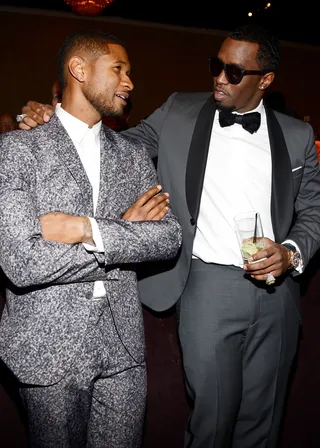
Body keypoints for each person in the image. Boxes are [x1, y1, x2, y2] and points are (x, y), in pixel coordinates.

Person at [17, 24, 320, 448]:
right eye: (216, 66)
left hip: (279, 294)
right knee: (211, 420)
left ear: (265, 80)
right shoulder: (179, 110)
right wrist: (51, 120)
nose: (218, 78)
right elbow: (112, 144)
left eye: (233, 73)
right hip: (207, 286)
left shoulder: (298, 135)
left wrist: (290, 254)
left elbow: (313, 213)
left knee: (263, 423)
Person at [0, 29, 182, 448]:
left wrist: (90, 228)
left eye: (130, 72)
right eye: (118, 69)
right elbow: (21, 261)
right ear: (78, 69)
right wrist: (125, 230)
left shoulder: (133, 154)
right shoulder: (17, 150)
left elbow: (168, 237)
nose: (130, 82)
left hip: (124, 347)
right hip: (47, 346)